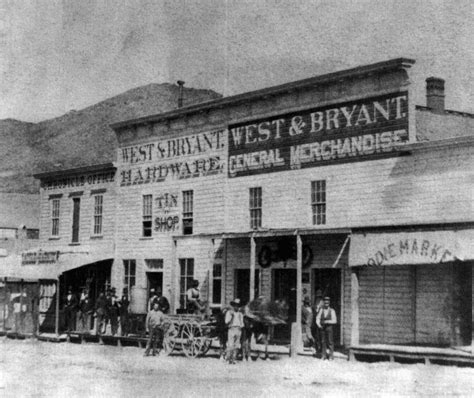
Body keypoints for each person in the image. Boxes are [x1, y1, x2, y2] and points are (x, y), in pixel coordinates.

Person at [316, 296, 337, 360]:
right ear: (323, 303)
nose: (326, 304)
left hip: (329, 327)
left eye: (327, 303)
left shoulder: (332, 310)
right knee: (323, 342)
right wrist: (318, 324)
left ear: (329, 303)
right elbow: (317, 318)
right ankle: (323, 355)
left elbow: (335, 321)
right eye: (325, 303)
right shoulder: (321, 310)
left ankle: (331, 356)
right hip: (322, 328)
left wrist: (328, 321)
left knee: (330, 342)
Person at [225, 298, 244, 364]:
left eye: (238, 305)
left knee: (237, 345)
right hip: (231, 329)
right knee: (230, 344)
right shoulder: (229, 313)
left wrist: (241, 326)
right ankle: (228, 359)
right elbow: (226, 322)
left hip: (238, 329)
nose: (237, 307)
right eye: (235, 305)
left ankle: (234, 358)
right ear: (233, 306)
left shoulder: (240, 314)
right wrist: (231, 316)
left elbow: (242, 323)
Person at [311, 289, 324, 357]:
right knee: (316, 334)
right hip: (315, 319)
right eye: (317, 296)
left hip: (320, 320)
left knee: (320, 335)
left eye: (319, 296)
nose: (318, 298)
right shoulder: (315, 301)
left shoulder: (322, 302)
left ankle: (320, 349)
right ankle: (316, 347)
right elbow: (314, 308)